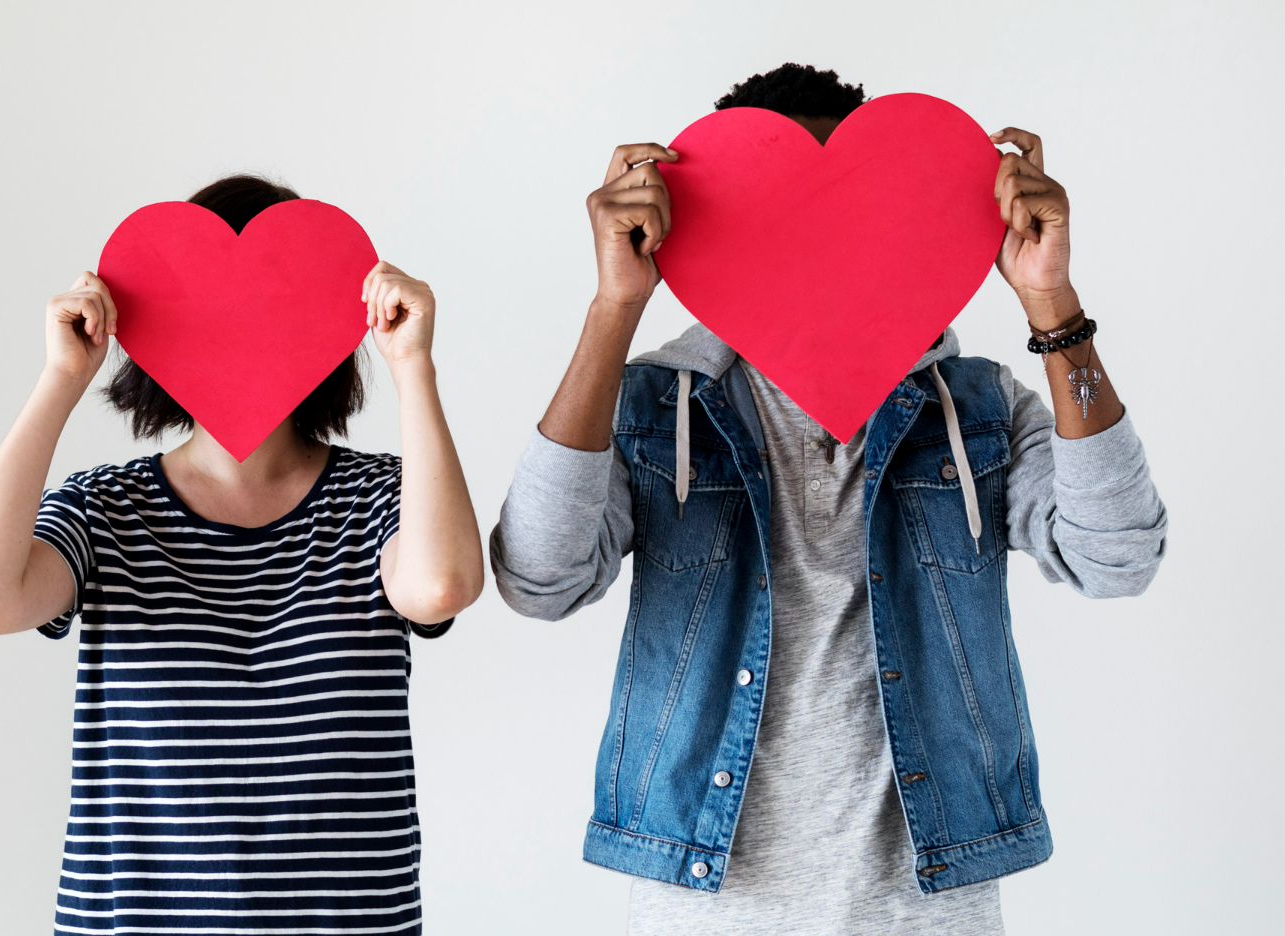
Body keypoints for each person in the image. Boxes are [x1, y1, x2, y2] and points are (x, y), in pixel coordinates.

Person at [489, 63, 1168, 934]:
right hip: (703, 898)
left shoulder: (978, 407)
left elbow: (1118, 558)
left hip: (932, 901)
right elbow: (539, 578)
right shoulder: (655, 406)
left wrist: (1050, 301)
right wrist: (615, 308)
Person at [0, 175, 483, 935]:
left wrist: (412, 364)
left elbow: (441, 584)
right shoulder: (105, 509)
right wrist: (61, 379)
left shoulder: (381, 497)